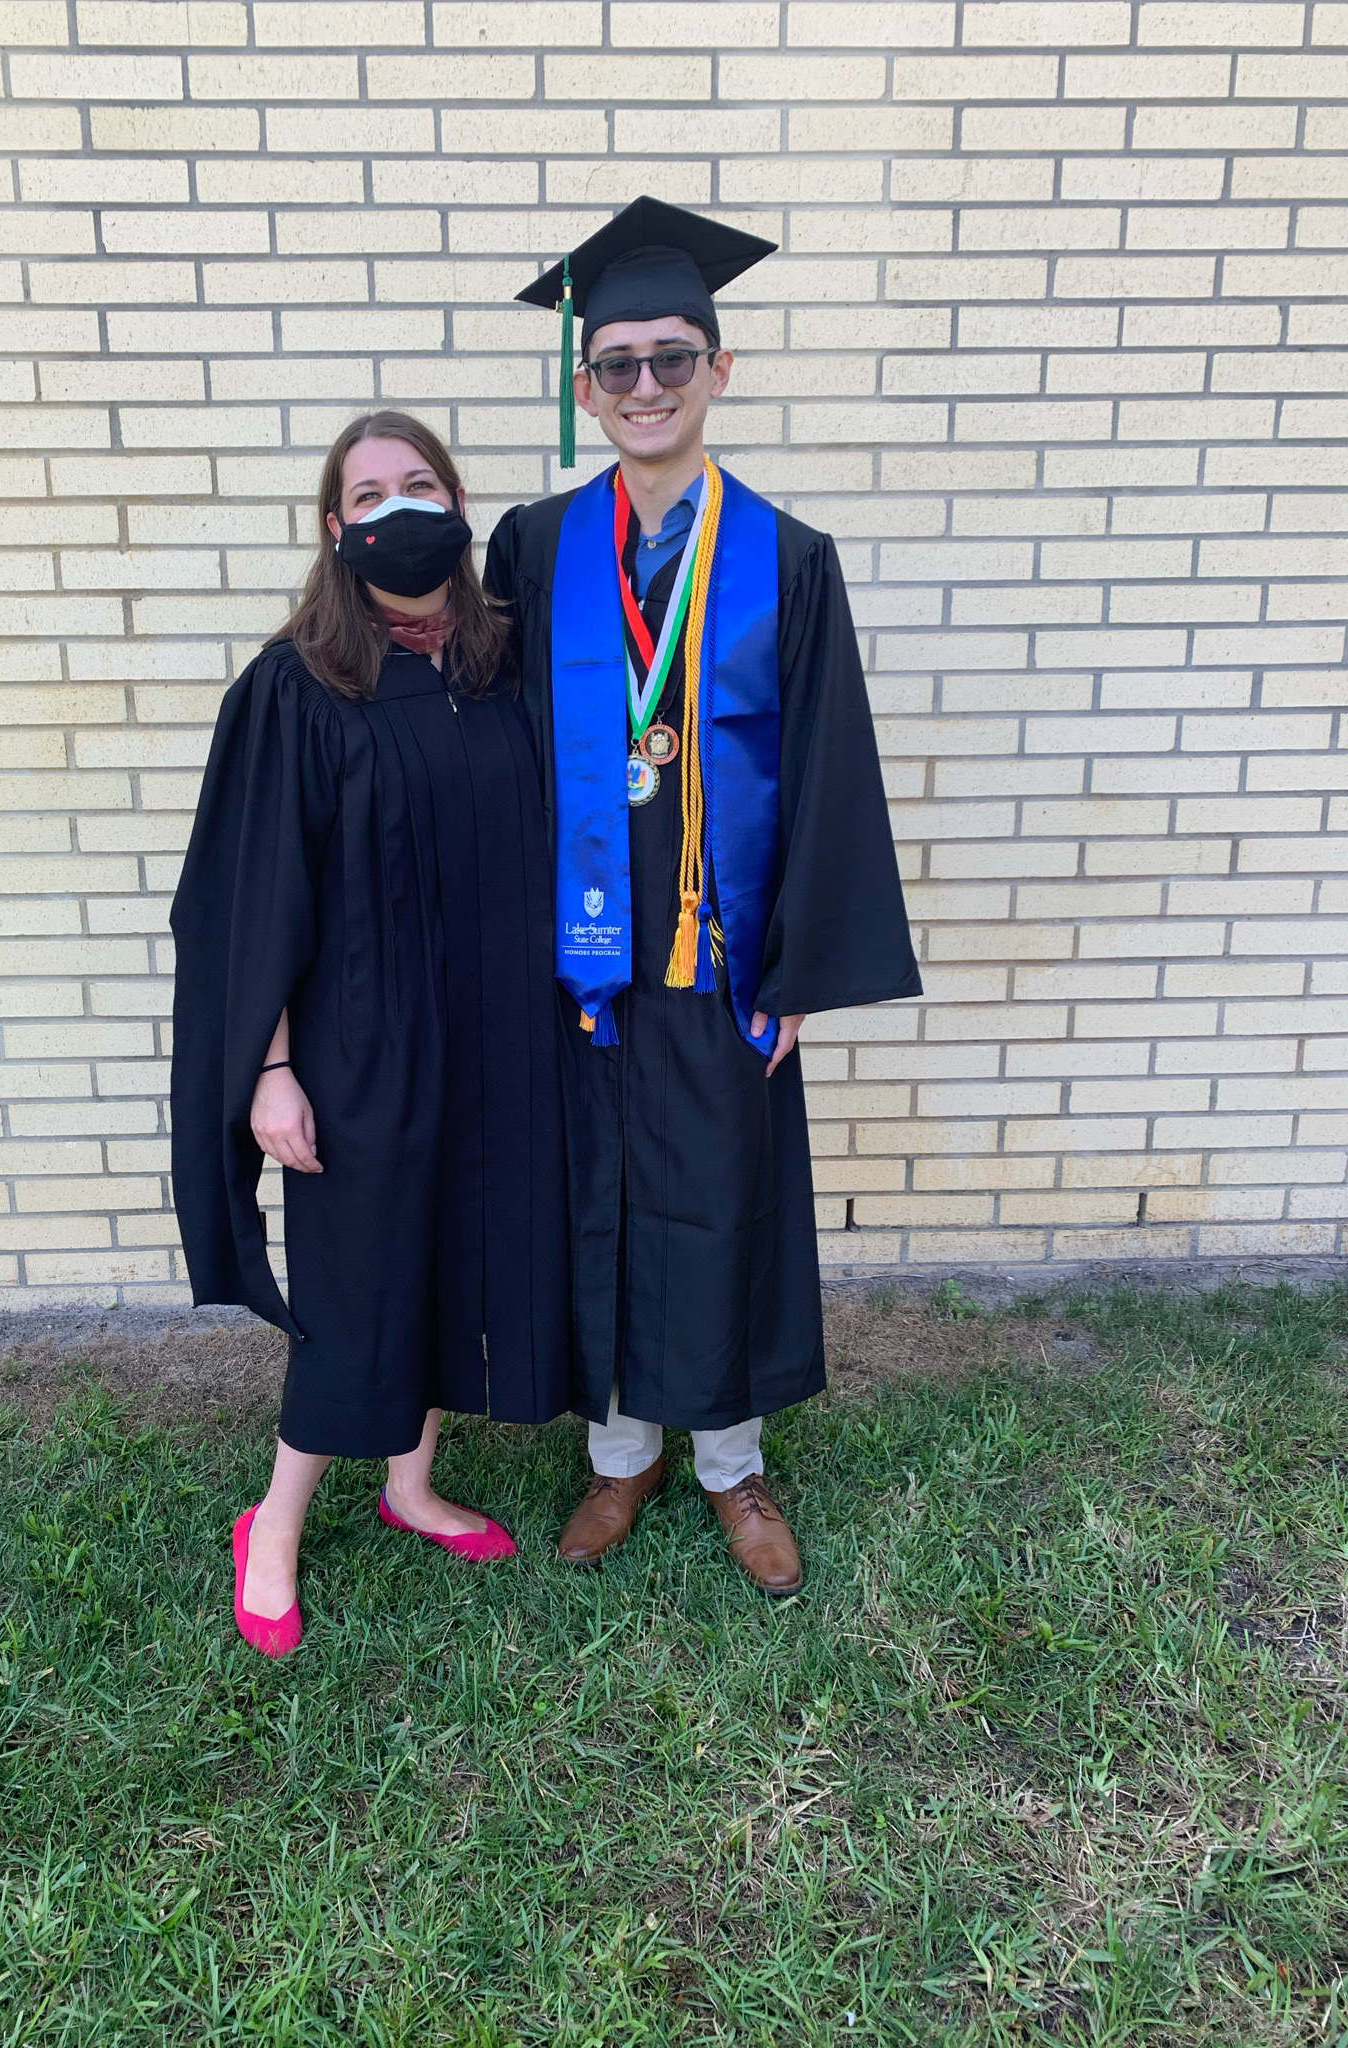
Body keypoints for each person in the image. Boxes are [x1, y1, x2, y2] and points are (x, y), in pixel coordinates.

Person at [486, 197, 921, 1595]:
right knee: (595, 1197)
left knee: (721, 1196)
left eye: (675, 357)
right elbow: (491, 759)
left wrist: (793, 969)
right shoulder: (536, 548)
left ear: (719, 369)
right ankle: (623, 1456)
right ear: (584, 385)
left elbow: (831, 771)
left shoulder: (788, 560)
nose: (648, 386)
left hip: (721, 957)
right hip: (580, 961)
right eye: (617, 363)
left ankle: (731, 1465)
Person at [171, 410, 570, 1657]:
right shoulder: (296, 685)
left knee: (455, 1256)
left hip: (500, 1031)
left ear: (457, 500)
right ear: (336, 527)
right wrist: (274, 1069)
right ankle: (275, 1522)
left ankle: (408, 1485)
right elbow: (248, 900)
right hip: (361, 1044)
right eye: (368, 491)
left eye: (420, 481)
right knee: (360, 1282)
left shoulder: (505, 667)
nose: (398, 505)